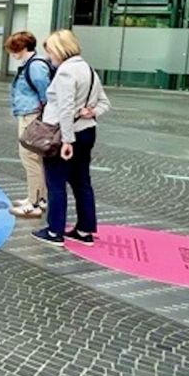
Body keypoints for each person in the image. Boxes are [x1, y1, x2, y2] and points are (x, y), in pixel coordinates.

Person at [33, 29, 111, 246]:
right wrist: (92, 112)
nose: (50, 57)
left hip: (65, 134)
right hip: (87, 131)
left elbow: (66, 109)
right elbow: (105, 103)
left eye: (50, 52)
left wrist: (67, 141)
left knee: (56, 182)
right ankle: (85, 230)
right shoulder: (89, 70)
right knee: (82, 182)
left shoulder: (66, 72)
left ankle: (54, 231)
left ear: (60, 49)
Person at [5, 31, 54, 218]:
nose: (12, 54)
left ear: (23, 48)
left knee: (29, 158)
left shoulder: (35, 66)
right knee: (34, 158)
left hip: (31, 115)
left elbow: (46, 92)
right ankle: (37, 197)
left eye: (14, 49)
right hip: (30, 113)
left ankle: (34, 203)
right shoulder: (32, 64)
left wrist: (43, 111)